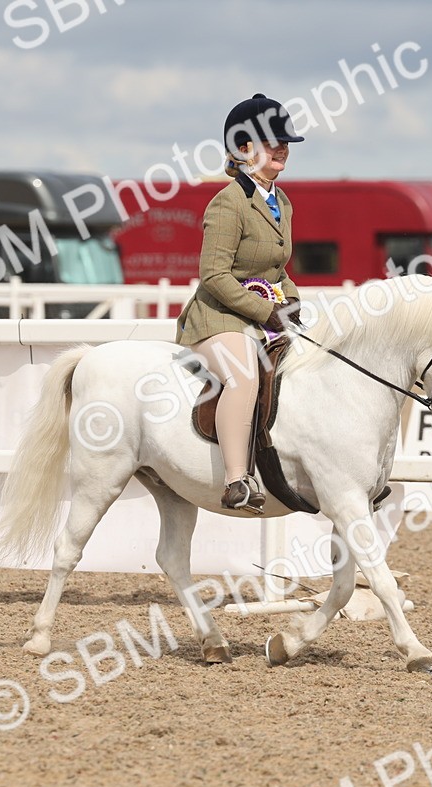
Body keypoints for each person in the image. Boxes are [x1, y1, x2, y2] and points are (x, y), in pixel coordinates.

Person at [176, 93, 304, 514]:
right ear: (243, 148)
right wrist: (265, 311)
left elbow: (277, 270)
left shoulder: (280, 201)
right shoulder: (228, 203)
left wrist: (293, 304)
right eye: (272, 141)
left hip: (262, 318)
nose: (282, 148)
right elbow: (213, 276)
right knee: (245, 374)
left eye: (285, 141)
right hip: (216, 320)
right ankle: (236, 480)